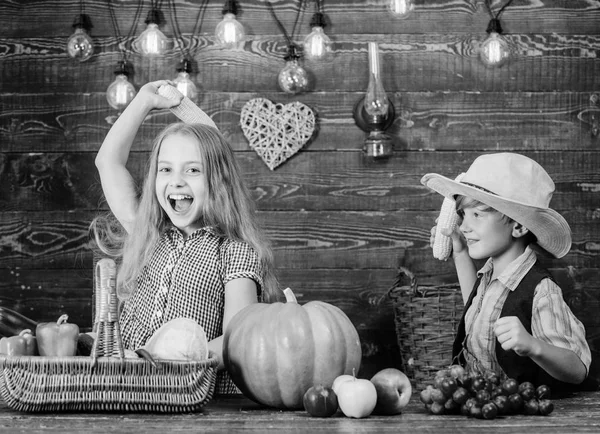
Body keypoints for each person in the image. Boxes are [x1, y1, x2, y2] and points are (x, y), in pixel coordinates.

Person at [90, 80, 278, 394]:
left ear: (218, 181)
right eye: (165, 170)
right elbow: (107, 162)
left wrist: (163, 363)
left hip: (192, 396)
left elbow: (238, 337)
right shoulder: (147, 233)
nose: (176, 182)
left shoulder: (234, 251)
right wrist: (143, 102)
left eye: (192, 170)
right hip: (126, 390)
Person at [421, 152, 591, 392]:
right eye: (462, 216)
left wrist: (533, 345)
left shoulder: (542, 290)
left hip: (525, 418)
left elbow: (577, 370)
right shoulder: (491, 274)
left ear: (519, 226)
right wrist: (459, 253)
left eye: (477, 215)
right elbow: (479, 308)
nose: (464, 227)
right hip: (485, 406)